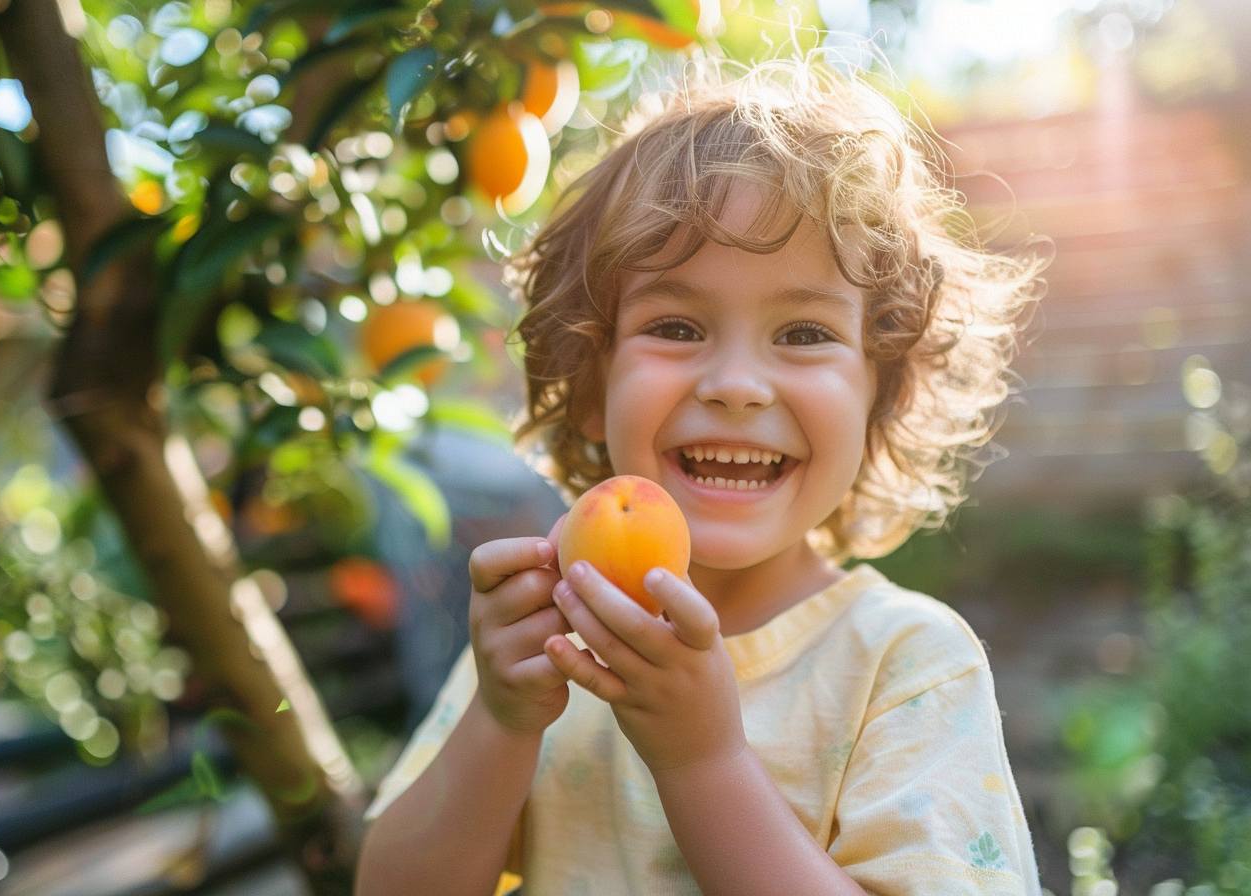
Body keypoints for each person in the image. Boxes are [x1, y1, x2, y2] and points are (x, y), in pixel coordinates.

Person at [355, 52, 1047, 896]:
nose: (735, 386)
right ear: (588, 384)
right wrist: (501, 724)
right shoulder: (548, 640)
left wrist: (704, 760)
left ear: (880, 396)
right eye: (677, 326)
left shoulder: (902, 667)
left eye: (802, 334)